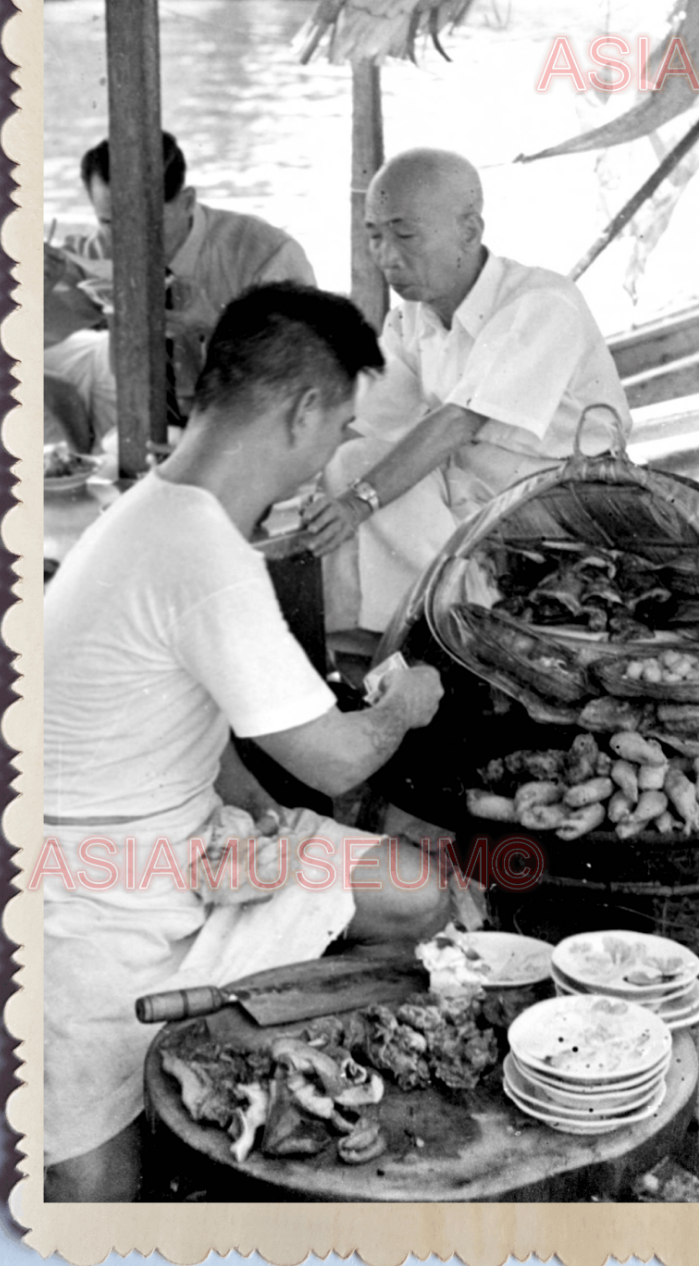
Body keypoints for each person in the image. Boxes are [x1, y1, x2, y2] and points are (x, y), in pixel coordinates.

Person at [43, 283, 450, 1201]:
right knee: (96, 1202)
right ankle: (212, 1069)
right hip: (87, 899)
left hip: (191, 847)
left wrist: (259, 809)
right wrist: (405, 702)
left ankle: (270, 1049)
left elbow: (201, 710)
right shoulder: (205, 556)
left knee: (413, 893)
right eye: (343, 424)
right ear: (304, 410)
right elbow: (342, 761)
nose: (337, 448)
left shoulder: (166, 508)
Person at [303, 148, 632, 633]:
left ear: (470, 231)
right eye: (374, 236)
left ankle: (468, 619)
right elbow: (362, 422)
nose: (386, 257)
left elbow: (458, 420)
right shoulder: (412, 318)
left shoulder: (541, 303)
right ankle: (379, 638)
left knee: (362, 490)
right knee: (348, 463)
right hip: (466, 505)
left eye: (405, 235)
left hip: (560, 507)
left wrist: (355, 504)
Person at [43, 131, 316, 443]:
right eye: (109, 223)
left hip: (247, 431)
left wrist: (213, 327)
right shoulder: (96, 255)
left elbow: (305, 369)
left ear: (187, 202)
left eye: (144, 222)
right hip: (144, 428)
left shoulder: (264, 255)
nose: (126, 241)